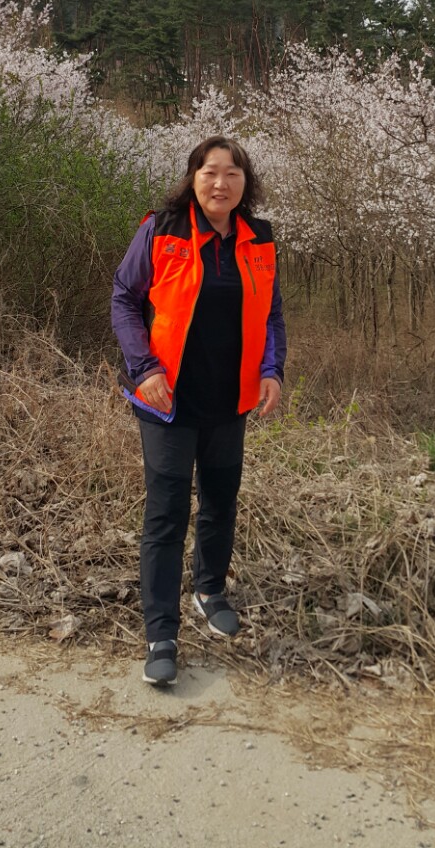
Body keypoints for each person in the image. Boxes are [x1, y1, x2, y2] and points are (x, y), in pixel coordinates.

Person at [111, 136, 286, 687]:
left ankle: (209, 589)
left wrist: (272, 370)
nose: (220, 183)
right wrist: (144, 368)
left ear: (245, 182)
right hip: (167, 400)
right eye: (210, 171)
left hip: (230, 399)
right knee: (166, 513)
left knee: (220, 500)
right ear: (193, 177)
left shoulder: (259, 239)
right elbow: (124, 298)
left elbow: (271, 312)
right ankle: (161, 632)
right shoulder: (162, 230)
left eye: (232, 173)